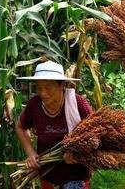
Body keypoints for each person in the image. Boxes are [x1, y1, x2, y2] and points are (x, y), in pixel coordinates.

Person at [16, 61, 93, 189]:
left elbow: (96, 133)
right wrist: (30, 153)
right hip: (48, 175)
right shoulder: (34, 105)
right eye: (39, 88)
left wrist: (77, 152)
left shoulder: (78, 104)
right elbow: (20, 127)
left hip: (76, 175)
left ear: (61, 85)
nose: (43, 93)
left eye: (48, 87)